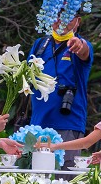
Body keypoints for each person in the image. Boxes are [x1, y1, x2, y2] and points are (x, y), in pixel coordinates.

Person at [25, 15, 94, 168]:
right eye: (57, 15)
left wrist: (79, 44)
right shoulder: (40, 44)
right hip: (37, 125)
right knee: (35, 183)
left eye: (68, 16)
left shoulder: (77, 45)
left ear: (78, 21)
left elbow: (84, 51)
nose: (61, 21)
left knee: (62, 182)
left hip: (67, 126)